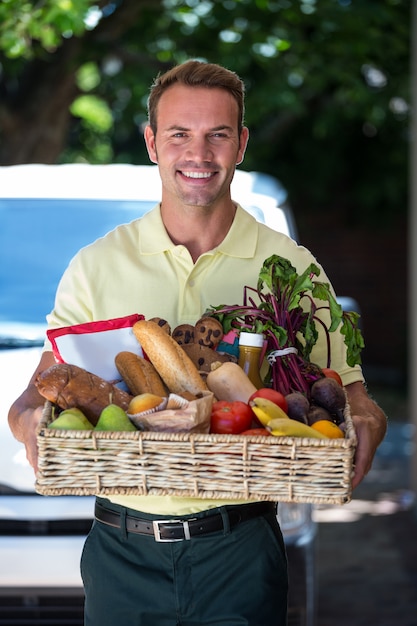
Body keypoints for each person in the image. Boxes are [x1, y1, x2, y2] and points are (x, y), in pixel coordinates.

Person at [8, 60, 387, 626]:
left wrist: (367, 417)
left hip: (240, 546)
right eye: (180, 134)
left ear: (241, 145)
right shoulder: (96, 265)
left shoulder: (289, 265)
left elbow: (350, 394)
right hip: (121, 548)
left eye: (218, 134)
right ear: (152, 142)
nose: (199, 154)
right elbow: (38, 393)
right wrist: (30, 420)